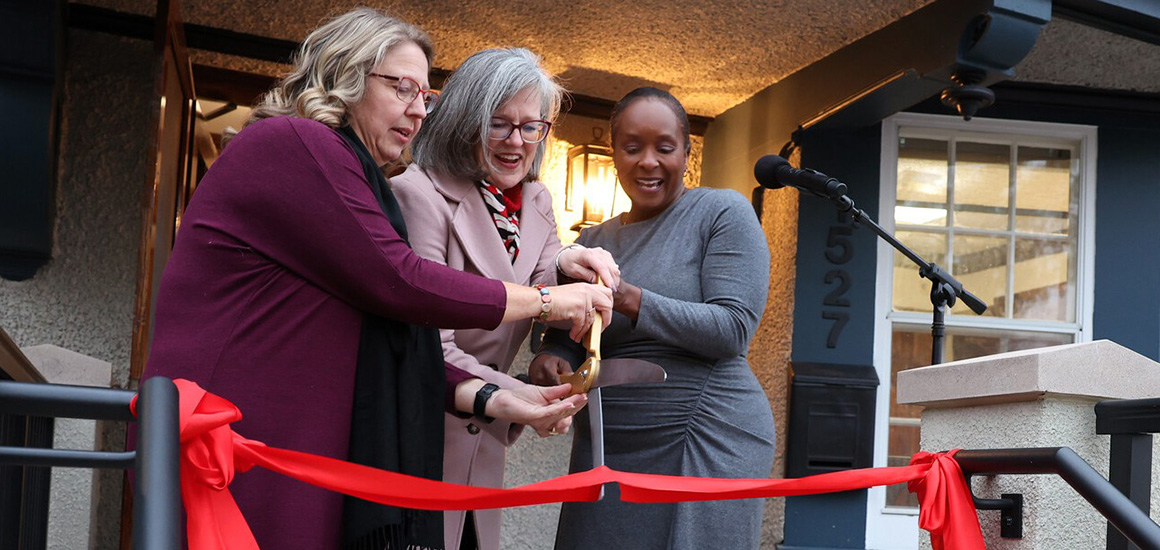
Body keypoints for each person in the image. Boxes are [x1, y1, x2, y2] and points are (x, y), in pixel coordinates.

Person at [139, 9, 613, 550]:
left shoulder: (354, 170)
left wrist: (504, 399)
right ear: (344, 74)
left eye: (424, 96)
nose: (418, 111)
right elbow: (403, 283)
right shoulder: (296, 143)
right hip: (237, 442)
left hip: (287, 441)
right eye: (402, 88)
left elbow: (392, 338)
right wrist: (547, 301)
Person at [390, 47, 618, 550]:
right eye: (499, 124)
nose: (517, 143)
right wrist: (515, 400)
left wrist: (572, 263)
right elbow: (431, 342)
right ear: (464, 122)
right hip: (423, 435)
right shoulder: (418, 193)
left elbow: (540, 268)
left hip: (483, 442)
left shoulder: (534, 198)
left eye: (531, 126)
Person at [529, 87, 775, 549]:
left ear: (686, 151)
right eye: (632, 147)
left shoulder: (721, 212)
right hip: (608, 436)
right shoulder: (594, 238)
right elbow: (565, 331)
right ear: (615, 153)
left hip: (703, 431)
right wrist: (552, 354)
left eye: (664, 147)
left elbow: (732, 329)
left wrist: (629, 298)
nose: (648, 161)